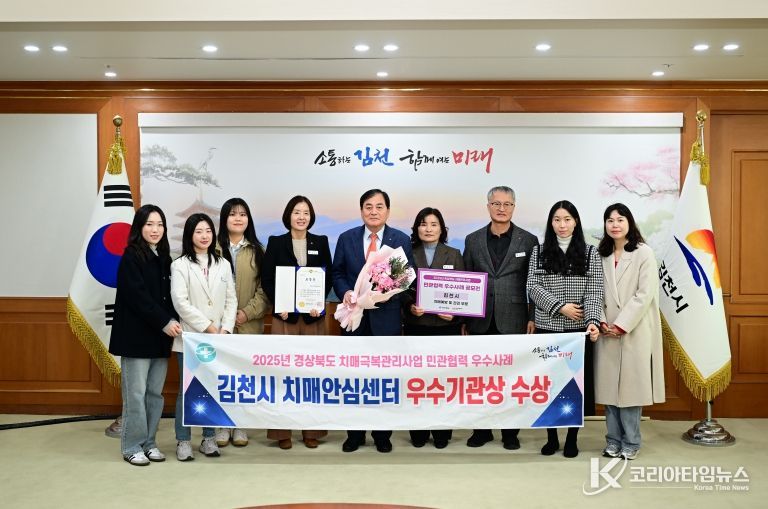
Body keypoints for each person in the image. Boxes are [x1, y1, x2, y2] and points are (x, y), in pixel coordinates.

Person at [331, 189, 414, 453]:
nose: (374, 211)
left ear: (387, 211)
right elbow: (337, 272)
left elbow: (405, 278)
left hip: (386, 319)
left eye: (379, 207)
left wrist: (384, 294)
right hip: (354, 317)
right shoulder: (346, 238)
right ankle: (354, 434)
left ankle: (382, 435)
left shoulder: (400, 239)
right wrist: (346, 292)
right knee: (354, 378)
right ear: (361, 211)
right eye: (368, 207)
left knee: (384, 378)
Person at [526, 200, 604, 458]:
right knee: (550, 384)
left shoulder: (590, 252)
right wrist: (560, 307)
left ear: (576, 222)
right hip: (548, 327)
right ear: (551, 223)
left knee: (574, 387)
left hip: (578, 330)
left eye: (567, 219)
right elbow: (532, 287)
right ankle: (551, 437)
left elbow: (595, 291)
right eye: (557, 219)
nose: (562, 225)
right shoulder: (538, 252)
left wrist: (592, 321)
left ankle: (572, 438)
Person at [462, 186, 538, 450]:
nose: (501, 208)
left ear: (514, 207)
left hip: (515, 318)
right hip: (480, 319)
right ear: (488, 206)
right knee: (480, 378)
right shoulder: (472, 240)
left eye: (507, 204)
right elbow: (466, 282)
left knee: (511, 378)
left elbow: (533, 282)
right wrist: (464, 319)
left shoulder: (528, 240)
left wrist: (532, 315)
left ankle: (510, 432)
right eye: (496, 204)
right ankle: (481, 430)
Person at [108, 204, 181, 466]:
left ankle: (149, 443)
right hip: (136, 338)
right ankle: (131, 446)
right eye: (149, 224)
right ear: (139, 227)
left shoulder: (165, 258)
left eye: (160, 224)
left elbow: (170, 297)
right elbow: (138, 297)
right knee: (135, 395)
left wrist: (173, 320)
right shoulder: (131, 256)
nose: (155, 229)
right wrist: (164, 321)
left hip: (159, 339)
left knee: (154, 395)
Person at [595, 203, 665, 460]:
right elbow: (594, 291)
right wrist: (603, 321)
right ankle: (613, 440)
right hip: (606, 331)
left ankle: (631, 442)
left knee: (630, 391)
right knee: (609, 390)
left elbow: (644, 294)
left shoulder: (643, 253)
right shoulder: (600, 254)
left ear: (629, 223)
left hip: (634, 328)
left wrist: (621, 324)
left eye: (620, 219)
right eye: (610, 220)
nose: (615, 225)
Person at [261, 195, 333, 449]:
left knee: (312, 374)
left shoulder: (321, 242)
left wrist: (318, 302)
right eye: (296, 212)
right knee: (283, 374)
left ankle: (312, 431)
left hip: (313, 318)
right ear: (288, 216)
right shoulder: (276, 242)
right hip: (285, 318)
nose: (301, 217)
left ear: (311, 217)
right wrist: (278, 304)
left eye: (306, 212)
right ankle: (282, 433)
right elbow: (267, 278)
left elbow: (328, 276)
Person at [170, 213, 237, 461]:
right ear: (190, 235)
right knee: (187, 390)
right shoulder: (179, 265)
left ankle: (209, 438)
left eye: (208, 230)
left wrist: (225, 329)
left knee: (212, 388)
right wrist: (208, 327)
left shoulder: (223, 264)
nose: (204, 235)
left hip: (218, 338)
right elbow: (181, 303)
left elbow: (231, 300)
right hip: (191, 338)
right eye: (198, 231)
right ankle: (183, 440)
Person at [402, 207, 464, 449]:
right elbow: (400, 289)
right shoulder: (407, 253)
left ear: (442, 229)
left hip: (446, 327)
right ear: (416, 228)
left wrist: (455, 312)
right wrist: (410, 306)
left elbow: (464, 290)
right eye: (423, 224)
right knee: (417, 381)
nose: (428, 229)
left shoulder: (454, 254)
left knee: (443, 382)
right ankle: (418, 430)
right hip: (417, 326)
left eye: (433, 224)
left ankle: (441, 431)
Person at [214, 198, 270, 448]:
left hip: (249, 324)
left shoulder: (258, 250)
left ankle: (240, 425)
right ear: (224, 219)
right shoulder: (212, 247)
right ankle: (221, 424)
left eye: (243, 214)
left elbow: (265, 289)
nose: (238, 218)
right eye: (232, 214)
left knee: (244, 376)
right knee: (220, 375)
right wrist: (221, 318)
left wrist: (247, 313)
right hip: (217, 326)